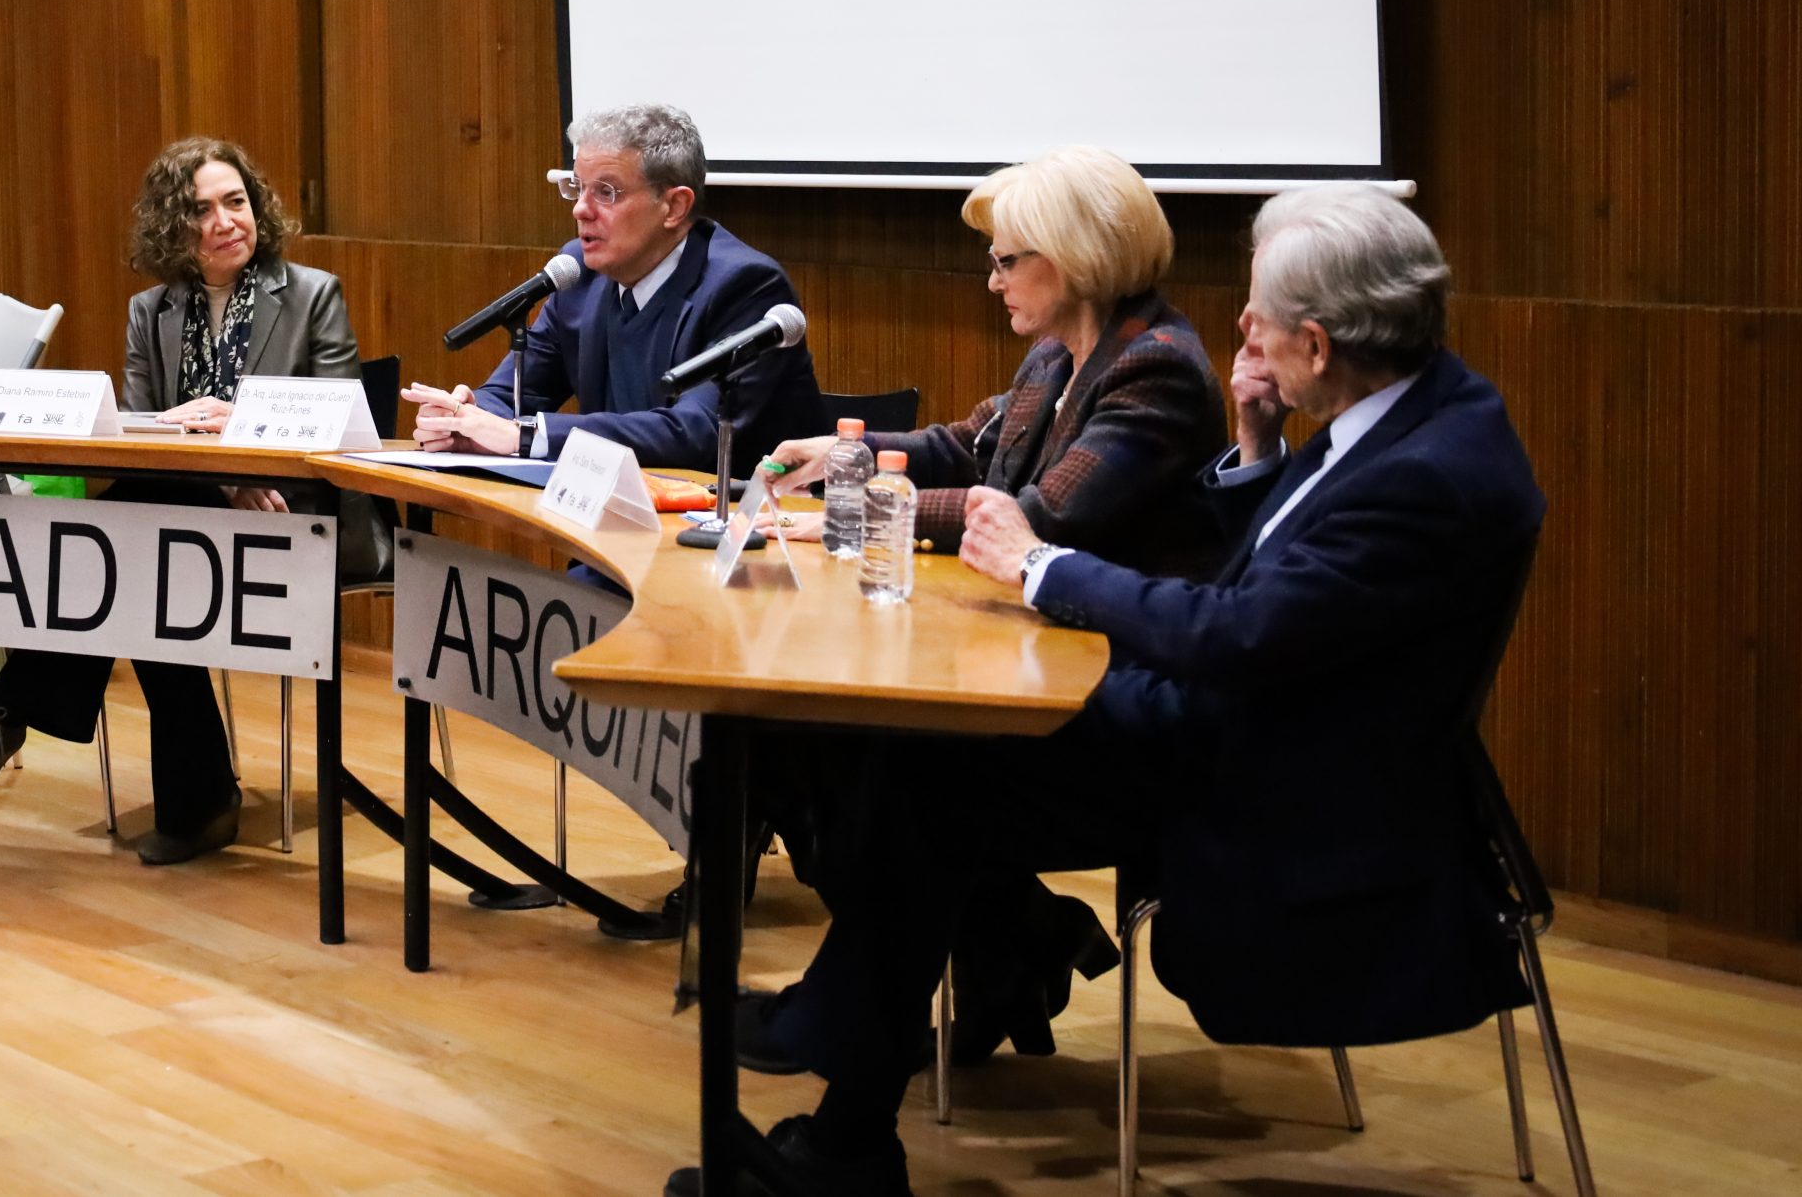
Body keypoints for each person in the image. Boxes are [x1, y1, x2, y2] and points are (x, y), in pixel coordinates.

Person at [674, 186, 1542, 1196]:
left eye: (1256, 311)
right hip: (1249, 712)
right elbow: (1295, 581)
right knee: (902, 751)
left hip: (1280, 780)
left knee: (919, 769)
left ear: (1314, 342)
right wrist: (1259, 448)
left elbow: (1241, 629)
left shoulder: (1420, 470)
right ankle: (905, 1043)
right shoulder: (1422, 407)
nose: (1241, 329)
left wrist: (1042, 567)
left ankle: (855, 1120)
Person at [753, 145, 1228, 1066]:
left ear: (1077, 255)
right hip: (1033, 659)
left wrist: (845, 513)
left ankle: (883, 1001)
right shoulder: (1060, 352)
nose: (991, 279)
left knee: (892, 766)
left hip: (1112, 692)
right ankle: (1012, 940)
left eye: (1010, 260)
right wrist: (837, 456)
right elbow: (962, 444)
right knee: (815, 735)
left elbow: (1039, 522)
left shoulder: (1156, 369)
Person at [0, 138, 374, 865]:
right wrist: (221, 477)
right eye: (202, 209)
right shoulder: (151, 312)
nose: (227, 220)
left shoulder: (311, 293)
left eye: (237, 202)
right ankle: (196, 801)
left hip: (297, 512)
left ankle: (12, 708)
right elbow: (140, 434)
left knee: (135, 536)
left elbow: (337, 420)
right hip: (188, 515)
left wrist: (246, 432)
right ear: (172, 224)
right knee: (149, 546)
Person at [405, 104, 823, 475]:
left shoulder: (744, 285)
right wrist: (465, 417)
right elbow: (514, 392)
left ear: (674, 206)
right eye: (576, 186)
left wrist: (522, 435)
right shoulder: (582, 275)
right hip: (618, 518)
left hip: (739, 533)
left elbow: (697, 431)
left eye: (606, 192)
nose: (580, 209)